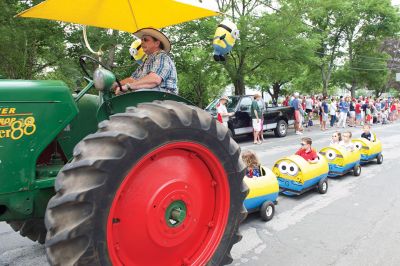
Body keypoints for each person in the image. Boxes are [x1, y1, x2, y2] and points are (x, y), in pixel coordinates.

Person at [114, 28, 178, 95]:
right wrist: (115, 84)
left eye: (146, 40)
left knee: (130, 96)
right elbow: (132, 79)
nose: (142, 42)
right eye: (142, 40)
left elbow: (154, 80)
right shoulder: (146, 62)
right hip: (149, 97)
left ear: (157, 43)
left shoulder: (162, 57)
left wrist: (128, 86)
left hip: (164, 99)